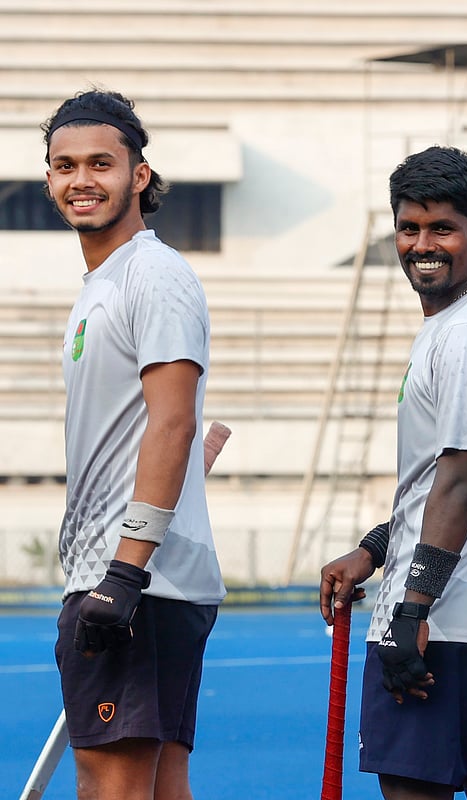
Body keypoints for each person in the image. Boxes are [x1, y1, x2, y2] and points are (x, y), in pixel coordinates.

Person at [319, 146, 467, 800]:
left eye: (442, 229)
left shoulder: (464, 336)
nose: (422, 245)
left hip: (444, 633)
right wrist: (373, 550)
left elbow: (459, 479)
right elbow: (442, 482)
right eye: (408, 228)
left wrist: (411, 607)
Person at [44, 89, 223, 800]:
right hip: (133, 573)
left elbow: (172, 422)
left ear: (138, 176)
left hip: (135, 579)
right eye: (63, 165)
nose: (80, 180)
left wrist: (124, 573)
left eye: (100, 163)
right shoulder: (103, 284)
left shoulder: (153, 274)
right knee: (158, 784)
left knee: (110, 784)